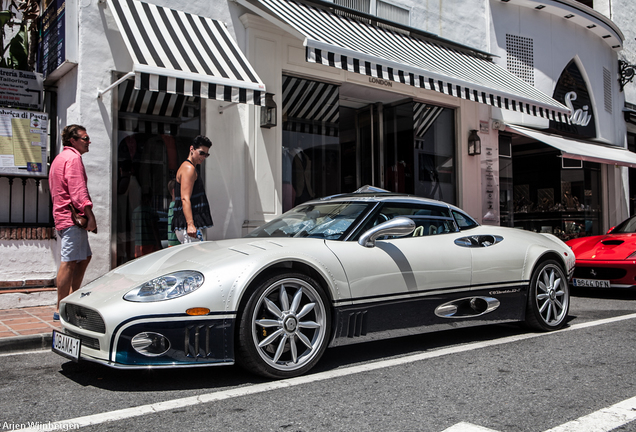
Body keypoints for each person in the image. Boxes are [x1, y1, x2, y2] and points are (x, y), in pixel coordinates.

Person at [48, 125, 97, 320]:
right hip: (72, 219)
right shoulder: (73, 158)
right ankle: (61, 308)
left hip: (62, 217)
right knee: (68, 262)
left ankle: (73, 299)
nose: (88, 141)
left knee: (84, 257)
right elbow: (78, 191)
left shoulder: (59, 158)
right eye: (85, 138)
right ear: (73, 140)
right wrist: (89, 215)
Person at [172, 135, 213, 243]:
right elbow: (185, 198)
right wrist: (190, 224)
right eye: (201, 153)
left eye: (206, 154)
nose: (203, 157)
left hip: (187, 226)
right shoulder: (188, 169)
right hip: (188, 228)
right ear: (192, 149)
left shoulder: (189, 168)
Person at [166, 180, 180, 246]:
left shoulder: (171, 205)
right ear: (174, 191)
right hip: (176, 243)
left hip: (172, 242)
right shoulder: (175, 205)